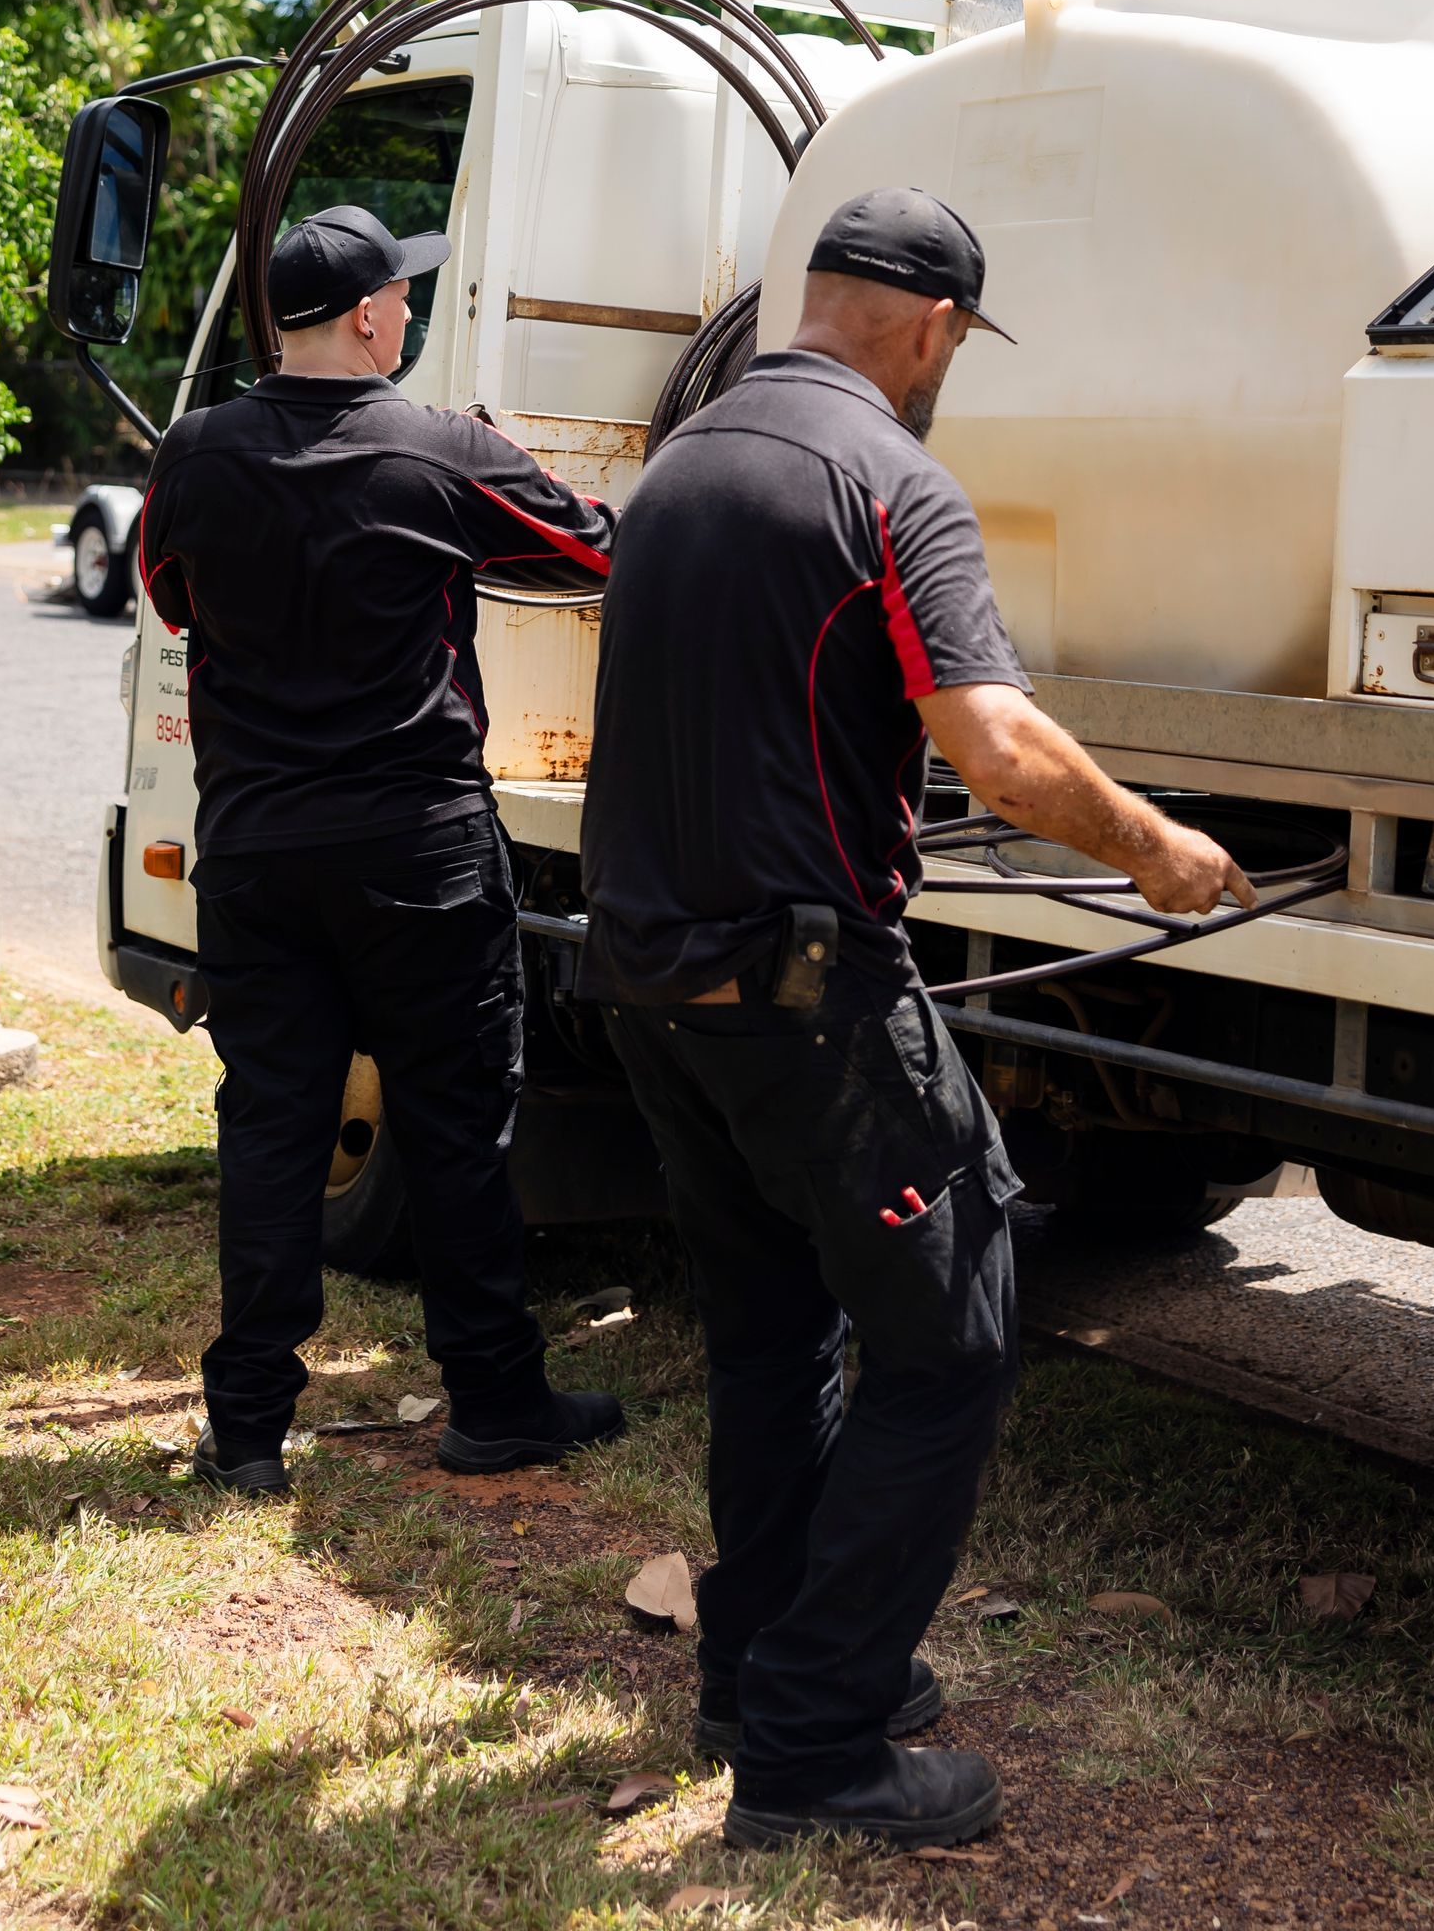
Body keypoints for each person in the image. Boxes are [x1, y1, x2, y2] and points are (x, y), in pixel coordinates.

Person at [578, 185, 1256, 1852]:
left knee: (775, 1332)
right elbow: (1001, 750)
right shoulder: (893, 479)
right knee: (951, 1338)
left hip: (656, 992)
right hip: (808, 1002)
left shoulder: (678, 470)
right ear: (937, 329)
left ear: (815, 299)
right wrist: (1162, 848)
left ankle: (763, 1671)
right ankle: (813, 1752)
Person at [136, 202, 627, 1498]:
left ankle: (245, 1437)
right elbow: (596, 551)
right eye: (401, 295)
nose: (409, 309)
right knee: (457, 1130)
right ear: (364, 316)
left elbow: (168, 592)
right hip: (419, 854)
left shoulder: (195, 454)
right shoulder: (443, 453)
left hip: (258, 854)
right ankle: (496, 1404)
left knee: (271, 1133)